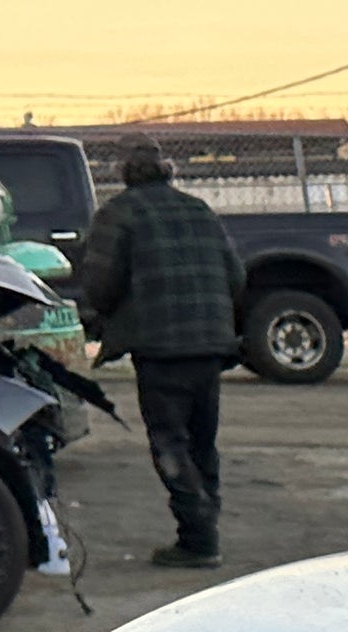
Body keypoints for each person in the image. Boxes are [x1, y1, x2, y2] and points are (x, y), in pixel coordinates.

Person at [73, 143, 244, 569]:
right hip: (210, 345)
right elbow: (236, 277)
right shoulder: (200, 210)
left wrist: (105, 316)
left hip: (159, 348)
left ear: (125, 174)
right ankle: (206, 526)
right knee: (203, 440)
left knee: (169, 441)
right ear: (167, 172)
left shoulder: (118, 214)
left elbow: (100, 285)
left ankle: (198, 536)